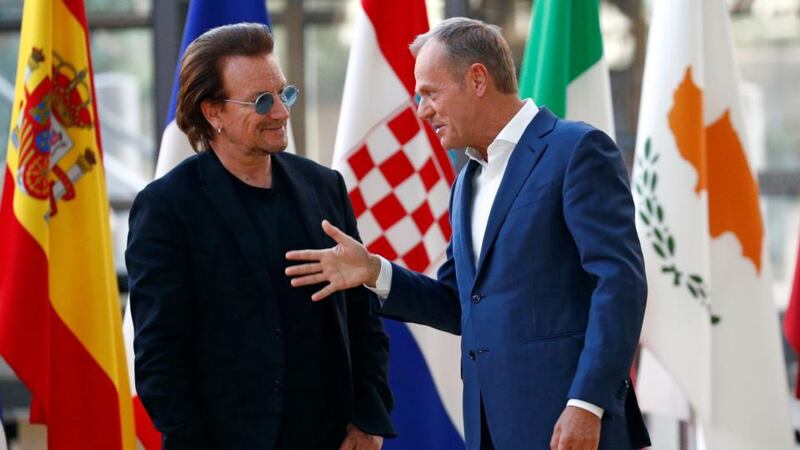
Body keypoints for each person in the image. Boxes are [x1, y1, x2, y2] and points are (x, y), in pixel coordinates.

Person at [286, 17, 650, 450]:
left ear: (478, 79)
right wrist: (374, 271)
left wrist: (588, 403)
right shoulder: (466, 183)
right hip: (488, 429)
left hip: (571, 427)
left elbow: (620, 283)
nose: (421, 110)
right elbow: (462, 304)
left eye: (430, 94)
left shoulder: (577, 151)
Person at [126, 23, 393, 450]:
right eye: (262, 101)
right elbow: (160, 355)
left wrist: (367, 419)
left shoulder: (324, 187)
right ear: (213, 113)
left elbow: (363, 319)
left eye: (285, 94)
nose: (282, 112)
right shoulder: (166, 207)